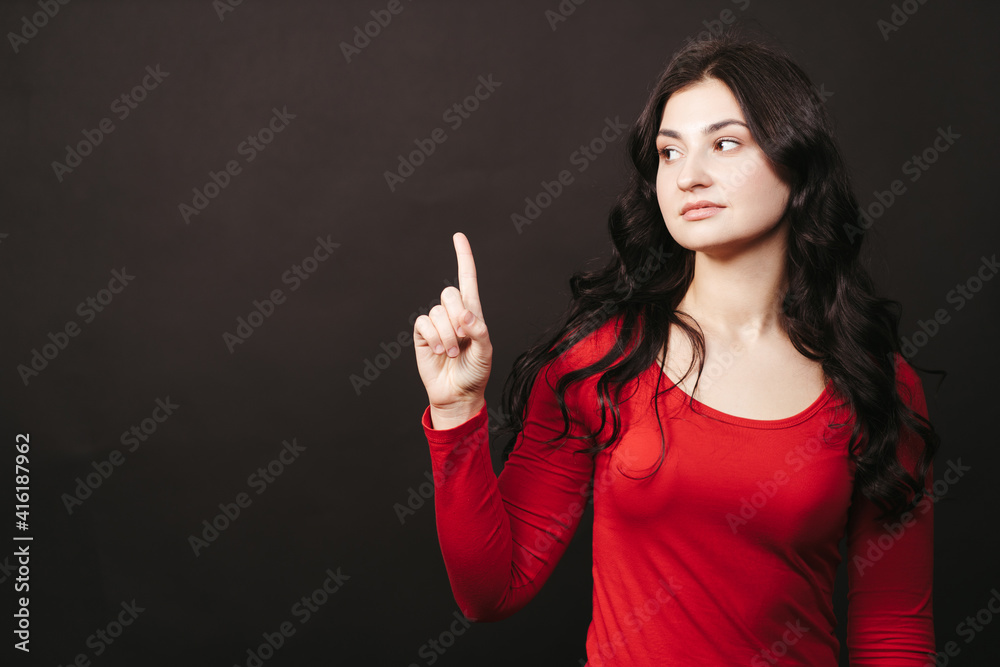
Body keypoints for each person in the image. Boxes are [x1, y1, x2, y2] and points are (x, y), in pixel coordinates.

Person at [412, 27, 940, 666]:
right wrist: (456, 412)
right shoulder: (598, 360)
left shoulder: (875, 383)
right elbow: (490, 591)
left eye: (725, 144)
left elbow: (893, 634)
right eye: (669, 152)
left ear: (796, 161)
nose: (689, 175)